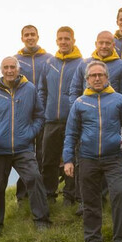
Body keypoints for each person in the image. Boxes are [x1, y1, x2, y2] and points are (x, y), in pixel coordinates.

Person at [64, 61, 122, 242]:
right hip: (87, 158)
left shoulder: (119, 100)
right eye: (93, 76)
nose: (97, 78)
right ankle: (92, 241)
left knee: (119, 194)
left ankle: (121, 239)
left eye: (101, 75)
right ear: (87, 80)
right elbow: (71, 133)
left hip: (114, 158)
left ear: (107, 77)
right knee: (90, 201)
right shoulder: (80, 103)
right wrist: (69, 160)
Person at [0, 56, 51, 237]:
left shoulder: (30, 89)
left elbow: (39, 116)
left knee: (34, 178)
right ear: (1, 70)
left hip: (23, 148)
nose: (9, 70)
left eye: (12, 67)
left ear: (18, 70)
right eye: (6, 67)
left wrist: (29, 133)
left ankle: (41, 220)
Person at [40, 27, 85, 203]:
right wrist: (43, 113)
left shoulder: (82, 64)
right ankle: (49, 195)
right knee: (48, 161)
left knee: (72, 159)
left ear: (73, 40)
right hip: (50, 120)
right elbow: (42, 90)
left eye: (67, 38)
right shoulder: (49, 63)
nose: (64, 42)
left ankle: (70, 195)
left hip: (72, 121)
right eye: (60, 39)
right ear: (56, 41)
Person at [15, 25, 53, 202]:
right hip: (22, 115)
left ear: (38, 36)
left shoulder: (49, 59)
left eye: (33, 35)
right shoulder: (15, 61)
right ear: (22, 38)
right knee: (23, 155)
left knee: (43, 154)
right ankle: (22, 195)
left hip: (44, 113)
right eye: (26, 35)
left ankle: (42, 193)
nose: (30, 37)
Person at [67, 31, 122, 103]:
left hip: (111, 112)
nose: (104, 46)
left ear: (113, 45)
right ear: (96, 44)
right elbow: (74, 90)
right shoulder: (84, 64)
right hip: (87, 112)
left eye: (108, 43)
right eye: (101, 43)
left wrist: (119, 111)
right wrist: (76, 108)